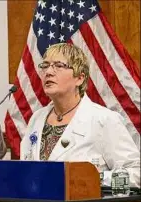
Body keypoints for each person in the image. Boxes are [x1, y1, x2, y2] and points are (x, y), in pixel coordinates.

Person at [20, 43, 140, 187]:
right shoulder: (37, 118)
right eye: (45, 66)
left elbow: (136, 173)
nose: (48, 72)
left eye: (58, 65)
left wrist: (94, 178)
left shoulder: (103, 119)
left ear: (80, 78)